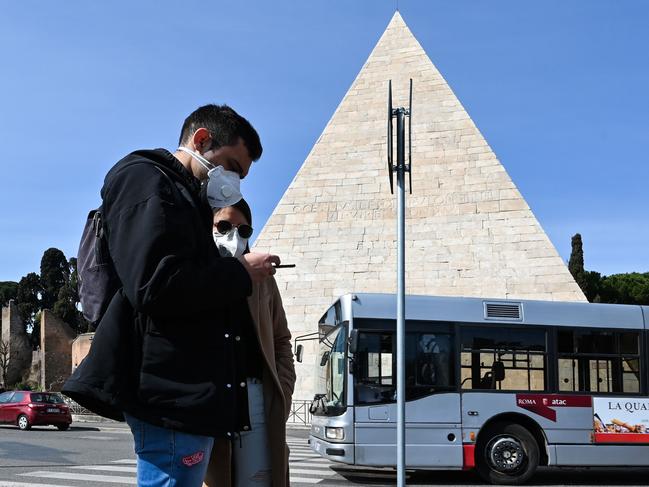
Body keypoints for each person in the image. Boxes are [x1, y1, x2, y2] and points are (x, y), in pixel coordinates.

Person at [63, 104, 280, 487]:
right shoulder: (145, 179)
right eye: (232, 166)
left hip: (185, 392)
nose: (234, 181)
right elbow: (154, 284)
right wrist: (240, 273)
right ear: (201, 140)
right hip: (170, 393)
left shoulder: (183, 194)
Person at [203, 198, 296, 487]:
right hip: (211, 398)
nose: (234, 235)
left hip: (256, 395)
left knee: (258, 481)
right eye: (225, 226)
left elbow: (282, 339)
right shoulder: (197, 274)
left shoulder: (263, 278)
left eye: (244, 231)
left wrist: (282, 389)